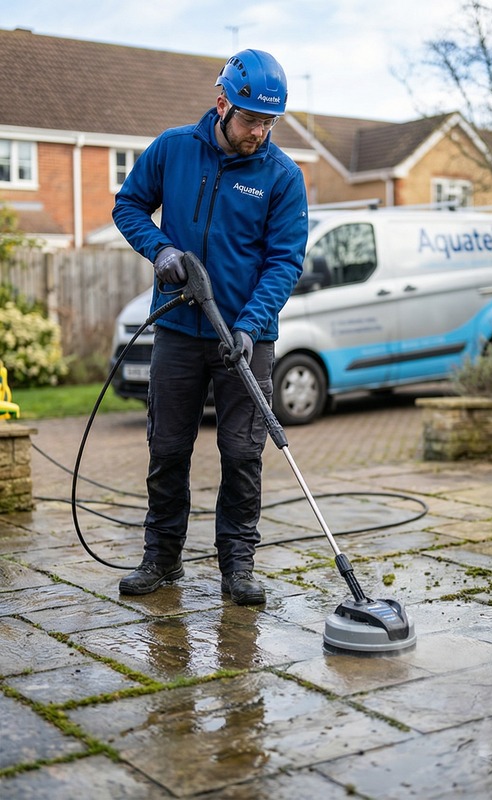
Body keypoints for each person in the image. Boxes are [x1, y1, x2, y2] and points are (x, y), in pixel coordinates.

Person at [112, 49, 308, 606]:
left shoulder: (282, 176)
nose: (259, 133)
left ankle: (237, 566)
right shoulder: (173, 149)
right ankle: (161, 558)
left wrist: (250, 325)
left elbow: (284, 262)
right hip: (178, 329)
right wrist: (160, 249)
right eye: (251, 120)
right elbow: (129, 206)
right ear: (223, 104)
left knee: (242, 454)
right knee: (168, 447)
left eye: (270, 122)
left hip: (246, 338)